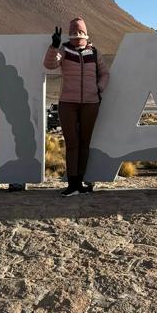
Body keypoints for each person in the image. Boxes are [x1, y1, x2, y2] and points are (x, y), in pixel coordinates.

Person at [42, 17, 108, 196]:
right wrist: (54, 47)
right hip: (67, 103)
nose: (78, 35)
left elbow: (104, 73)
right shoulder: (63, 51)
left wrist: (98, 88)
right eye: (75, 31)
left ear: (85, 33)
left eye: (80, 31)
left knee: (85, 143)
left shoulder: (94, 52)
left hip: (90, 103)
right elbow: (49, 64)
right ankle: (72, 184)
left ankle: (79, 182)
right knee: (72, 143)